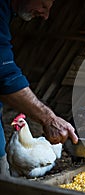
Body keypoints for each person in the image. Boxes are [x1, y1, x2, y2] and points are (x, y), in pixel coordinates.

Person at [0, 0, 78, 176]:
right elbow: (5, 75)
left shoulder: (7, 12)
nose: (45, 15)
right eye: (43, 5)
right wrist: (49, 119)